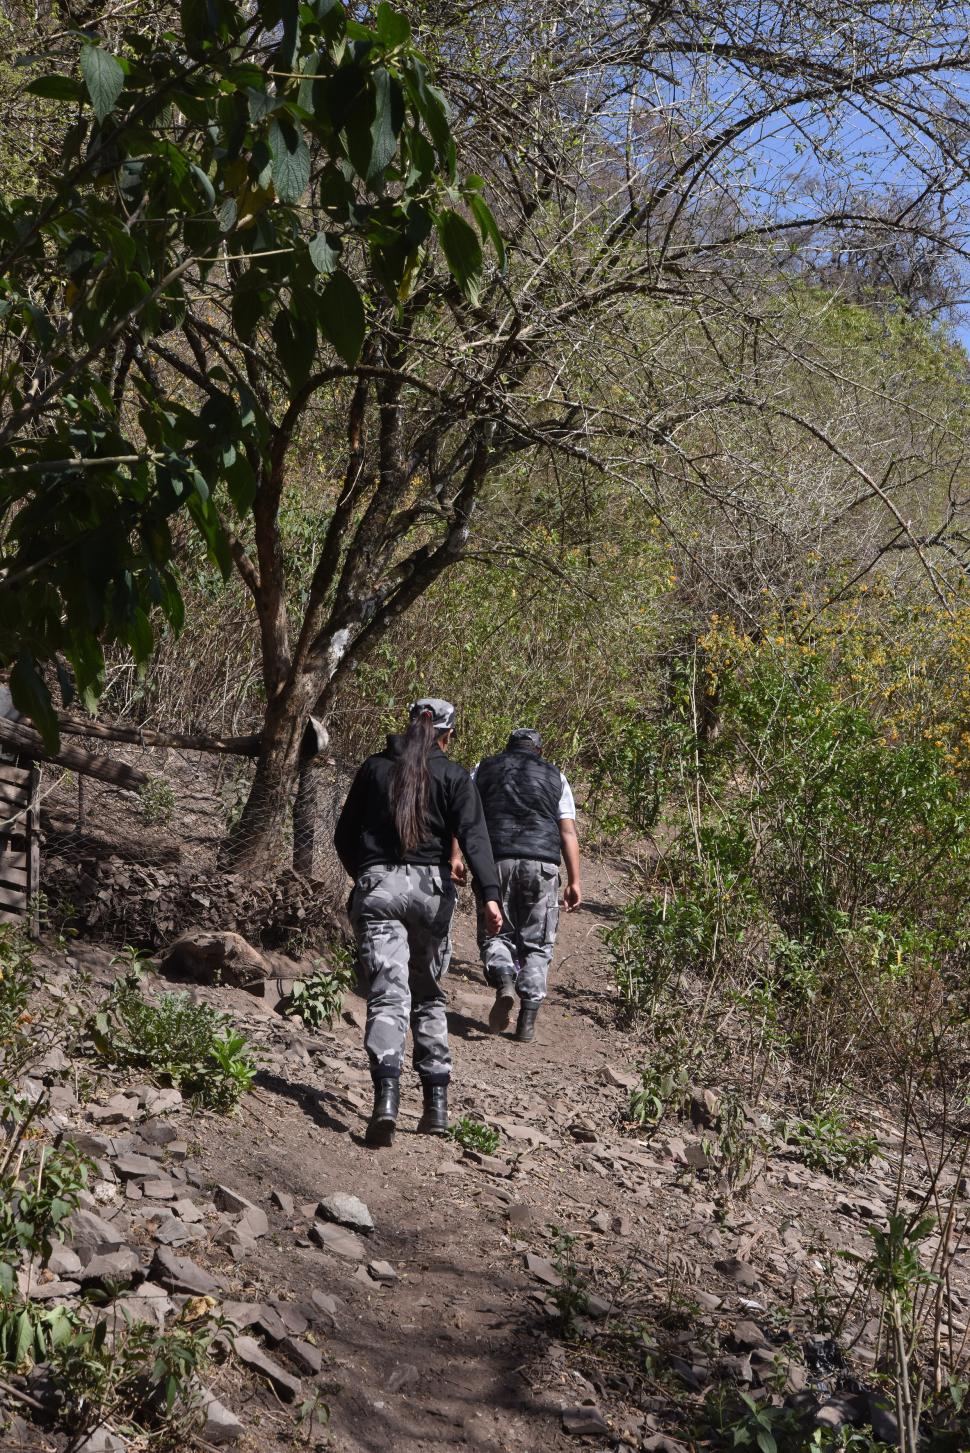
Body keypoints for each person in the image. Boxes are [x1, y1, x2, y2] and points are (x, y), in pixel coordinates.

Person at [334, 698, 503, 1147]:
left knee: (387, 996)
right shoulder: (452, 776)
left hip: (378, 887)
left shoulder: (374, 769)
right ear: (446, 736)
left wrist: (369, 878)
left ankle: (385, 1101)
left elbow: (343, 836)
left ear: (410, 730)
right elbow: (476, 839)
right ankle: (436, 1108)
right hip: (431, 894)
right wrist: (490, 897)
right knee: (427, 995)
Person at [471, 728, 582, 1042]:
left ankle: (504, 978)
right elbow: (568, 832)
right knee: (538, 942)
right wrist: (574, 881)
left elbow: (464, 816)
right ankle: (526, 1022)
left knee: (496, 932)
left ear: (507, 749)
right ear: (539, 752)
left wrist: (456, 856)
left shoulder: (484, 768)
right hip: (542, 865)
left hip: (494, 861)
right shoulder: (555, 776)